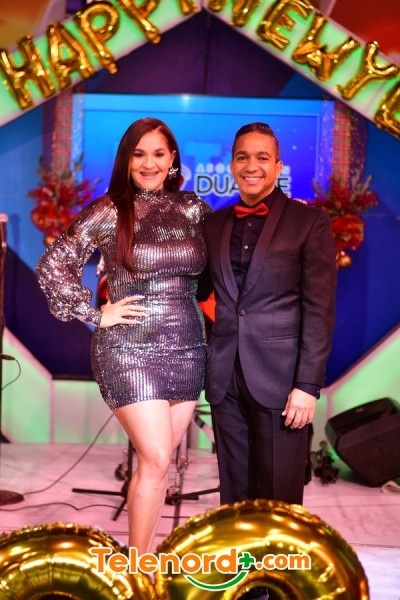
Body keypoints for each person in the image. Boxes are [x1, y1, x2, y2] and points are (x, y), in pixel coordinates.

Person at [36, 117, 212, 554]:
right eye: (139, 154)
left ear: (173, 159)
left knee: (158, 467)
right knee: (157, 457)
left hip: (189, 347)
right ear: (126, 161)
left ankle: (140, 562)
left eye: (158, 153)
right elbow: (54, 264)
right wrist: (94, 314)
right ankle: (137, 570)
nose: (149, 163)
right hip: (129, 349)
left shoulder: (194, 209)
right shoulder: (110, 210)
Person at [203, 122, 337, 508]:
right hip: (225, 380)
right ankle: (238, 550)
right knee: (234, 498)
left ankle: (277, 553)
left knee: (280, 499)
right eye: (243, 157)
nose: (252, 166)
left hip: (282, 382)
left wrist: (308, 386)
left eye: (262, 158)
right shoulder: (213, 225)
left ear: (278, 166)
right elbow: (195, 291)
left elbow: (319, 309)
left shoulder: (309, 222)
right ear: (232, 165)